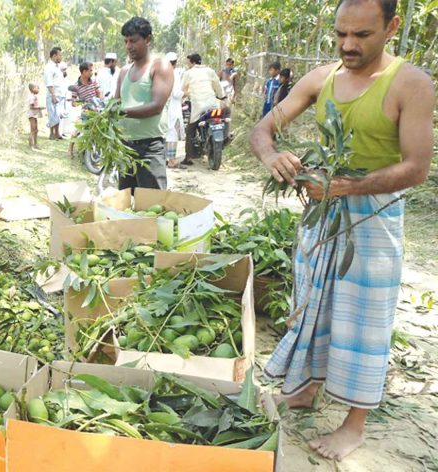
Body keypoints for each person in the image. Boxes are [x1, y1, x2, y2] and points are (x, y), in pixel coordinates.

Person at [249, 0, 434, 462]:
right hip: (321, 214)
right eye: (341, 35)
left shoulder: (410, 83)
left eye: (362, 35)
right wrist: (273, 157)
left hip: (372, 217)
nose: (349, 45)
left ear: (391, 27)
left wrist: (349, 186)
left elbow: (416, 168)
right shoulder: (322, 79)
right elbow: (262, 129)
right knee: (311, 302)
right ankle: (305, 391)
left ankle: (354, 424)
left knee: (364, 321)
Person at [114, 17, 173, 192]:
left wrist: (121, 113)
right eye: (125, 41)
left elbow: (157, 106)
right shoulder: (124, 71)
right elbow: (115, 103)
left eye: (133, 40)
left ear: (147, 39)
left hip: (149, 147)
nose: (128, 46)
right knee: (126, 201)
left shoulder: (160, 66)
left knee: (151, 204)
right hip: (125, 146)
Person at [181, 53, 225, 164]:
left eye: (188, 63)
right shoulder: (210, 71)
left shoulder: (189, 73)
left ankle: (188, 158)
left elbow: (182, 89)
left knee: (190, 131)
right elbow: (217, 85)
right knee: (222, 120)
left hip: (198, 106)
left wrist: (183, 97)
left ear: (193, 62)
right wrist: (221, 96)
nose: (187, 65)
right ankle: (225, 137)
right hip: (213, 104)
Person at [68, 62, 102, 157]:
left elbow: (99, 93)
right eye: (90, 70)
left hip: (97, 109)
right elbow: (73, 103)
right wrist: (80, 101)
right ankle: (70, 149)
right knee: (78, 128)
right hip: (86, 110)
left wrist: (100, 99)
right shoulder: (76, 86)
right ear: (84, 71)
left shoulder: (94, 81)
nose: (92, 72)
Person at [165, 52, 186, 168]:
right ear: (175, 63)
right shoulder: (174, 75)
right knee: (172, 134)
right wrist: (186, 93)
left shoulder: (161, 74)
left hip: (164, 109)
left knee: (166, 133)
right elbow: (177, 93)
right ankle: (172, 160)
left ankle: (166, 158)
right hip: (173, 109)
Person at [43, 47, 64, 140]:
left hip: (59, 93)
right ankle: (52, 133)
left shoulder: (57, 66)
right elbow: (49, 83)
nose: (61, 57)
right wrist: (53, 95)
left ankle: (56, 133)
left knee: (57, 114)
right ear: (54, 56)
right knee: (52, 114)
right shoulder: (49, 67)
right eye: (60, 55)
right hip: (53, 94)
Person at [27, 83, 44, 150]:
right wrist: (39, 108)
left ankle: (35, 144)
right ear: (32, 89)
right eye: (37, 88)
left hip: (35, 115)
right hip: (31, 115)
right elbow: (31, 107)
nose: (38, 89)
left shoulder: (34, 96)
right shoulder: (31, 97)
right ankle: (31, 144)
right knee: (33, 130)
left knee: (36, 130)